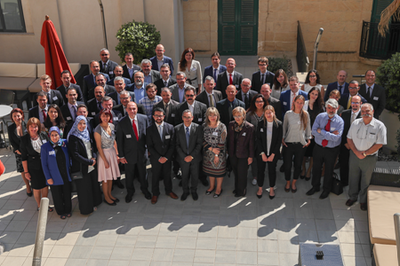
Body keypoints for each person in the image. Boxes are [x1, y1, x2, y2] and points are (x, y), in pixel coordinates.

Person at [345, 103, 387, 211]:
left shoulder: (380, 126)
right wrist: (356, 152)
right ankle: (352, 197)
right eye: (363, 111)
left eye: (367, 111)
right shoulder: (355, 123)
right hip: (354, 155)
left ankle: (363, 200)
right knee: (353, 177)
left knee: (366, 180)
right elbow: (349, 139)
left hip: (369, 158)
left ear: (372, 111)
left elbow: (380, 144)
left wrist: (365, 153)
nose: (365, 113)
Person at [306, 99, 344, 199]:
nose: (331, 110)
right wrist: (329, 135)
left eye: (333, 108)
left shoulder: (340, 121)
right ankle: (315, 186)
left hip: (331, 150)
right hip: (318, 147)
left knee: (328, 170)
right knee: (316, 168)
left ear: (337, 108)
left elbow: (336, 138)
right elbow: (314, 132)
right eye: (329, 108)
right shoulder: (320, 117)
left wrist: (321, 132)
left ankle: (326, 189)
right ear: (326, 108)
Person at [117, 102, 152, 202]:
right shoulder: (122, 122)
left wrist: (149, 149)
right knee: (129, 175)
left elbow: (147, 135)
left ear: (137, 109)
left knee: (143, 173)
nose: (132, 111)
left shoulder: (144, 118)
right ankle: (130, 192)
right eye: (130, 109)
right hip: (128, 155)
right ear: (126, 110)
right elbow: (120, 140)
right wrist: (121, 156)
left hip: (142, 153)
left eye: (134, 109)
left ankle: (145, 190)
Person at [68, 116, 102, 215]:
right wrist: (89, 162)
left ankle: (95, 203)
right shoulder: (73, 137)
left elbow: (92, 146)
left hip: (91, 164)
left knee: (93, 185)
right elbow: (75, 155)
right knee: (84, 189)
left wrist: (94, 157)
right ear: (76, 124)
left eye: (84, 123)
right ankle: (87, 209)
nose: (82, 126)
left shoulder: (87, 133)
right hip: (81, 167)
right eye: (80, 123)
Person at [146, 108, 178, 204]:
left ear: (164, 116)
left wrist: (166, 157)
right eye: (156, 115)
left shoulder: (170, 127)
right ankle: (155, 193)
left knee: (167, 175)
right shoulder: (149, 129)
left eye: (160, 115)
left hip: (167, 158)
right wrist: (159, 158)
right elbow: (150, 146)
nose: (158, 117)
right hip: (156, 159)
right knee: (155, 176)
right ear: (153, 117)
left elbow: (172, 145)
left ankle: (169, 191)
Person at [20, 117, 52, 211]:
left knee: (45, 185)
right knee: (37, 187)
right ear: (28, 127)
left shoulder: (43, 135)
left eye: (35, 126)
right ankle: (39, 206)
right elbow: (24, 158)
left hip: (45, 165)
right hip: (33, 167)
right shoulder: (24, 139)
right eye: (31, 126)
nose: (33, 129)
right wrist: (26, 172)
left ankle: (45, 205)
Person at [282, 95, 311, 193]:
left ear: (303, 104)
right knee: (287, 165)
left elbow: (308, 128)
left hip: (300, 144)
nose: (299, 104)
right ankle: (288, 182)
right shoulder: (288, 114)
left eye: (301, 103)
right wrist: (282, 139)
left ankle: (294, 182)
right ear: (294, 102)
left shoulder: (305, 114)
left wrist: (308, 140)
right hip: (288, 143)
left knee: (298, 165)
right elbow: (284, 127)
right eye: (297, 102)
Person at [41, 127, 72, 219]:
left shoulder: (64, 143)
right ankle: (60, 211)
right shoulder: (45, 147)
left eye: (56, 135)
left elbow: (70, 156)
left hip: (65, 173)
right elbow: (44, 165)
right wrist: (48, 177)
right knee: (57, 195)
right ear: (49, 136)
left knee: (67, 193)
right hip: (54, 176)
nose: (54, 137)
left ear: (59, 135)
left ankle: (68, 210)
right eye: (52, 135)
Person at [175, 109, 203, 201]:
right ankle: (185, 191)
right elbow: (176, 145)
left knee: (195, 176)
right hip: (183, 158)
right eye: (185, 117)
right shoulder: (177, 128)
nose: (187, 119)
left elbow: (199, 144)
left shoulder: (198, 128)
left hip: (194, 158)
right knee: (184, 176)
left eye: (189, 117)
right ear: (182, 118)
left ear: (192, 118)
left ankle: (194, 191)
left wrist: (191, 156)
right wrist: (184, 156)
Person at [94, 109, 121, 206]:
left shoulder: (112, 126)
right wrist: (105, 161)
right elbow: (98, 147)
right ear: (100, 117)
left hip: (112, 152)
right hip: (104, 155)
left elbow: (114, 141)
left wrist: (117, 154)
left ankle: (110, 194)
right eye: (103, 116)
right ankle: (106, 197)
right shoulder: (97, 129)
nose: (105, 118)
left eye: (107, 116)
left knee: (110, 177)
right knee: (105, 178)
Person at [255, 105, 283, 199]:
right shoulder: (260, 123)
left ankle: (271, 188)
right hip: (262, 153)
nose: (268, 114)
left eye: (270, 112)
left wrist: (273, 154)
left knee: (272, 171)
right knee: (260, 171)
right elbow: (258, 139)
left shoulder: (279, 124)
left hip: (272, 153)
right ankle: (260, 188)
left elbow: (279, 141)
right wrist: (262, 153)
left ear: (274, 113)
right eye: (266, 113)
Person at [228, 107, 254, 197]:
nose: (237, 118)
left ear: (243, 116)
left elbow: (251, 143)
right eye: (235, 115)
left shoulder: (249, 127)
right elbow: (229, 140)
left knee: (242, 173)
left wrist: (251, 156)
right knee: (236, 172)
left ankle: (242, 190)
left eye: (239, 115)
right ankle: (237, 188)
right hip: (233, 154)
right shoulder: (231, 125)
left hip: (244, 155)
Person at [300, 87, 325, 180]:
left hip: (315, 135)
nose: (314, 96)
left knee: (312, 155)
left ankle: (309, 171)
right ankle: (303, 169)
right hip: (304, 133)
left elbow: (323, 122)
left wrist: (316, 133)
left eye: (316, 94)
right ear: (309, 93)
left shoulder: (321, 106)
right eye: (312, 93)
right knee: (303, 154)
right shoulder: (304, 104)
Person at [203, 107, 227, 198]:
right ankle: (212, 186)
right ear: (207, 116)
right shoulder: (204, 126)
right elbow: (201, 139)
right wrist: (210, 149)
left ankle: (218, 188)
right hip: (208, 154)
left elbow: (222, 141)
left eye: (214, 115)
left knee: (219, 172)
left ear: (218, 116)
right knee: (210, 172)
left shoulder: (222, 126)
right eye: (210, 115)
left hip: (219, 153)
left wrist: (216, 154)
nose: (212, 117)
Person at [339, 95, 362, 187]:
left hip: (358, 146)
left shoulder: (363, 115)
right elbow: (342, 130)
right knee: (344, 163)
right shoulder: (344, 113)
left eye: (357, 102)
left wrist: (354, 145)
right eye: (353, 102)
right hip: (345, 145)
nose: (355, 104)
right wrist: (346, 142)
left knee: (356, 166)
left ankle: (356, 184)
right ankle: (344, 182)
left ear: (360, 103)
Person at [8, 108, 31, 196]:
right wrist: (17, 149)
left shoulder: (27, 125)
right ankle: (27, 186)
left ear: (22, 115)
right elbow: (12, 141)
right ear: (12, 118)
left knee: (31, 167)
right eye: (14, 116)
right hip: (19, 152)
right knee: (22, 169)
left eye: (18, 115)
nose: (17, 117)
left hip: (28, 150)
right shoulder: (10, 128)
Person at [246, 94, 268, 186]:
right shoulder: (249, 114)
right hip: (253, 141)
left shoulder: (267, 112)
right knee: (254, 159)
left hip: (264, 140)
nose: (259, 103)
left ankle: (261, 174)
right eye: (257, 101)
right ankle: (255, 176)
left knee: (262, 158)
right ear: (254, 103)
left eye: (261, 101)